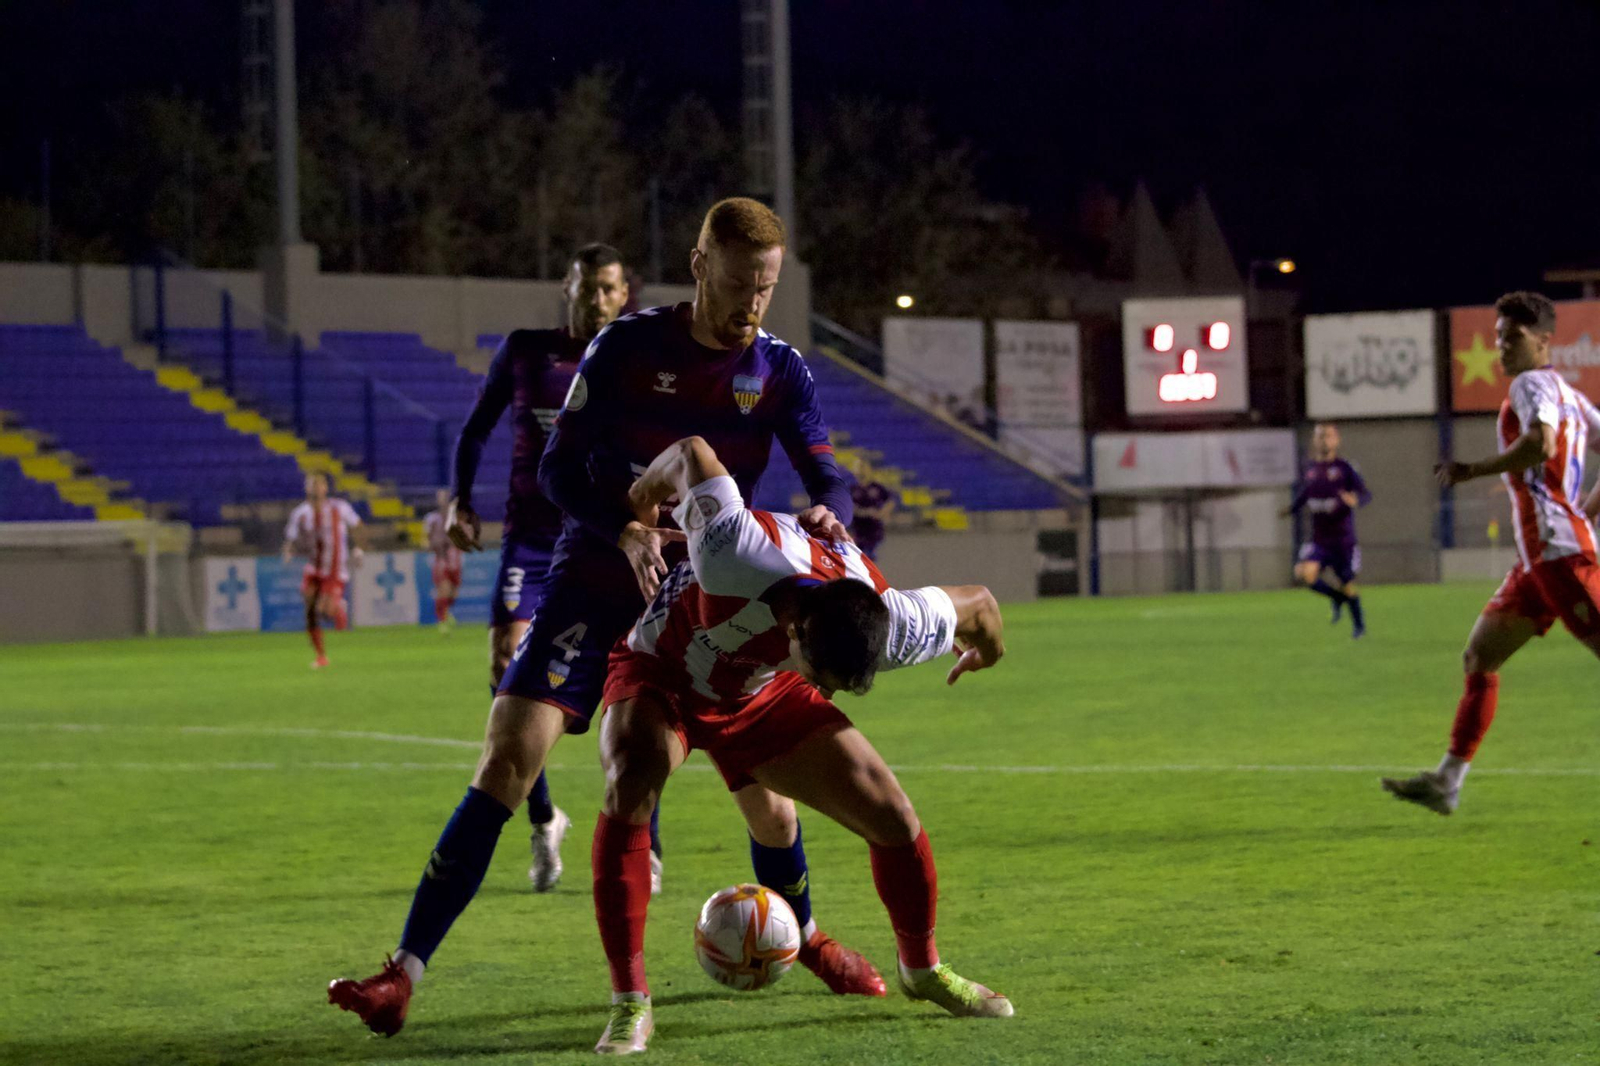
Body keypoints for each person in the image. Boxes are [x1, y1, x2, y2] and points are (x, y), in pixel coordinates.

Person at [328, 199, 877, 1040]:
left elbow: (829, 475)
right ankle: (402, 975)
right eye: (738, 286)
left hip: (709, 609)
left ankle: (804, 938)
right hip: (593, 581)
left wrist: (832, 513)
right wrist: (622, 527)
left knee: (772, 812)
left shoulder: (780, 370)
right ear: (699, 266)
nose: (751, 307)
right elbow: (554, 469)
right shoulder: (624, 347)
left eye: (765, 290)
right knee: (507, 759)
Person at [590, 436, 1014, 1054]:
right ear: (797, 628)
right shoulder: (733, 548)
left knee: (891, 816)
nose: (830, 692)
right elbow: (691, 452)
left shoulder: (891, 622)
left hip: (760, 691)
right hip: (664, 673)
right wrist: (641, 507)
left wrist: (988, 653)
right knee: (634, 775)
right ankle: (631, 1001)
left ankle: (922, 971)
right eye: (825, 677)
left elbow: (982, 607)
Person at [445, 243, 633, 891]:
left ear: (624, 294)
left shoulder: (636, 357)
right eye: (589, 287)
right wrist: (460, 502)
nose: (598, 298)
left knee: (629, 681)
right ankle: (544, 818)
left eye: (609, 288)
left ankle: (644, 839)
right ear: (568, 287)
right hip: (530, 539)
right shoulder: (527, 350)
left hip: (599, 540)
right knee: (506, 667)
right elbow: (474, 430)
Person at [1383, 291, 1600, 815]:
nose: (1501, 345)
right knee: (1480, 656)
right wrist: (1586, 512)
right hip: (1540, 559)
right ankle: (1446, 781)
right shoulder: (1571, 395)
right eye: (1498, 336)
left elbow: (1540, 445)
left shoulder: (1532, 385)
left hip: (1557, 552)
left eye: (1513, 336)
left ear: (1544, 340)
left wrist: (1470, 470)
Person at [1282, 422, 1371, 637]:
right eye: (1320, 436)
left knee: (1348, 585)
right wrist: (1291, 509)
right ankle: (1336, 598)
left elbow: (1366, 494)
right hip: (1320, 541)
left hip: (1343, 541)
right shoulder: (1311, 469)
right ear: (1315, 440)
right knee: (1304, 574)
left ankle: (1359, 626)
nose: (1324, 440)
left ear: (1336, 440)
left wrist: (1355, 500)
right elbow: (1305, 494)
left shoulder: (1345, 468)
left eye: (1328, 436)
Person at [281, 472, 366, 669]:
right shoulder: (300, 514)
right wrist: (288, 552)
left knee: (325, 612)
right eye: (311, 484)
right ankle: (321, 655)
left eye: (319, 484)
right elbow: (291, 539)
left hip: (335, 570)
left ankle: (337, 607)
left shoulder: (339, 507)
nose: (315, 488)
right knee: (310, 608)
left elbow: (358, 526)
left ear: (325, 488)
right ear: (306, 489)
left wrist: (358, 548)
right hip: (314, 568)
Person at [421, 488, 463, 631]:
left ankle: (445, 612)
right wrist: (435, 545)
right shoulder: (432, 519)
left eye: (445, 498)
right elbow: (428, 539)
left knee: (453, 593)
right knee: (444, 589)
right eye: (440, 498)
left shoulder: (457, 518)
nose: (443, 501)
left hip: (455, 559)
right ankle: (442, 621)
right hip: (441, 559)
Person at [847, 459, 895, 560]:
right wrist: (863, 512)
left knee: (869, 555)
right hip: (858, 528)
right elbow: (848, 506)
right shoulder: (853, 489)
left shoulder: (877, 487)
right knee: (859, 555)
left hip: (874, 528)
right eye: (858, 468)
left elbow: (890, 501)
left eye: (863, 468)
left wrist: (882, 513)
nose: (861, 471)